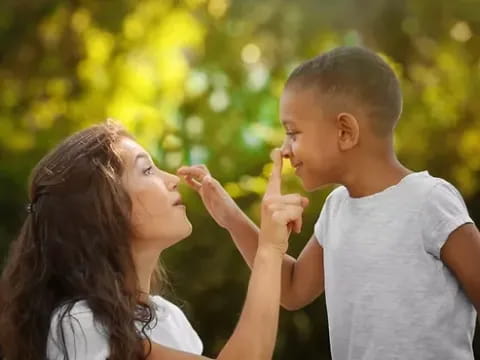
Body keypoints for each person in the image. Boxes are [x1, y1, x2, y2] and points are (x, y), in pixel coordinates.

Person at [178, 46, 480, 360]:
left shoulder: (428, 201)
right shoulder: (337, 208)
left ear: (345, 132)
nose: (283, 150)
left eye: (293, 133)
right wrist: (229, 215)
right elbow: (293, 289)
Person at [0, 121, 307, 360]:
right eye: (147, 170)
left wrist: (233, 221)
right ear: (105, 208)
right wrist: (269, 248)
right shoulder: (81, 323)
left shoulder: (168, 318)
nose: (172, 179)